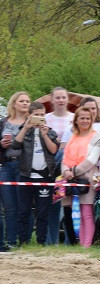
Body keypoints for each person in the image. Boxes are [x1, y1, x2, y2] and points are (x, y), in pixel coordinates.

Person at [10, 101, 59, 245]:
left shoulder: (49, 131)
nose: (39, 117)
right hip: (26, 176)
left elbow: (54, 150)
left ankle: (41, 242)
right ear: (30, 116)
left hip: (44, 177)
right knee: (23, 211)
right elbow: (15, 145)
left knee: (42, 212)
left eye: (42, 115)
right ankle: (23, 241)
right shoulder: (24, 130)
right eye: (36, 115)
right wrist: (26, 128)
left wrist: (44, 135)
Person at [60, 106, 100, 248]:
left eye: (88, 118)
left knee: (86, 213)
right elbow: (65, 158)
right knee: (70, 212)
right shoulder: (72, 137)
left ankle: (86, 244)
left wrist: (73, 171)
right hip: (70, 178)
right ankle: (74, 243)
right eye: (82, 118)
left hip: (87, 178)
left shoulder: (97, 136)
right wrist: (66, 172)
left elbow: (92, 159)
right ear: (76, 120)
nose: (85, 121)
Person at [1, 91, 32, 248]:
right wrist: (1, 144)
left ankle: (25, 241)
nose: (25, 103)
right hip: (6, 166)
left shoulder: (32, 122)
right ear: (14, 103)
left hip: (24, 166)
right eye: (22, 101)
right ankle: (11, 241)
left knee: (24, 206)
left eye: (27, 101)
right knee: (10, 207)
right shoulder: (3, 122)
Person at [45, 87, 73, 163]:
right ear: (52, 100)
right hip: (50, 157)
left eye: (64, 97)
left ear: (68, 99)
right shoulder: (45, 118)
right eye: (57, 98)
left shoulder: (75, 118)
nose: (61, 100)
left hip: (71, 157)